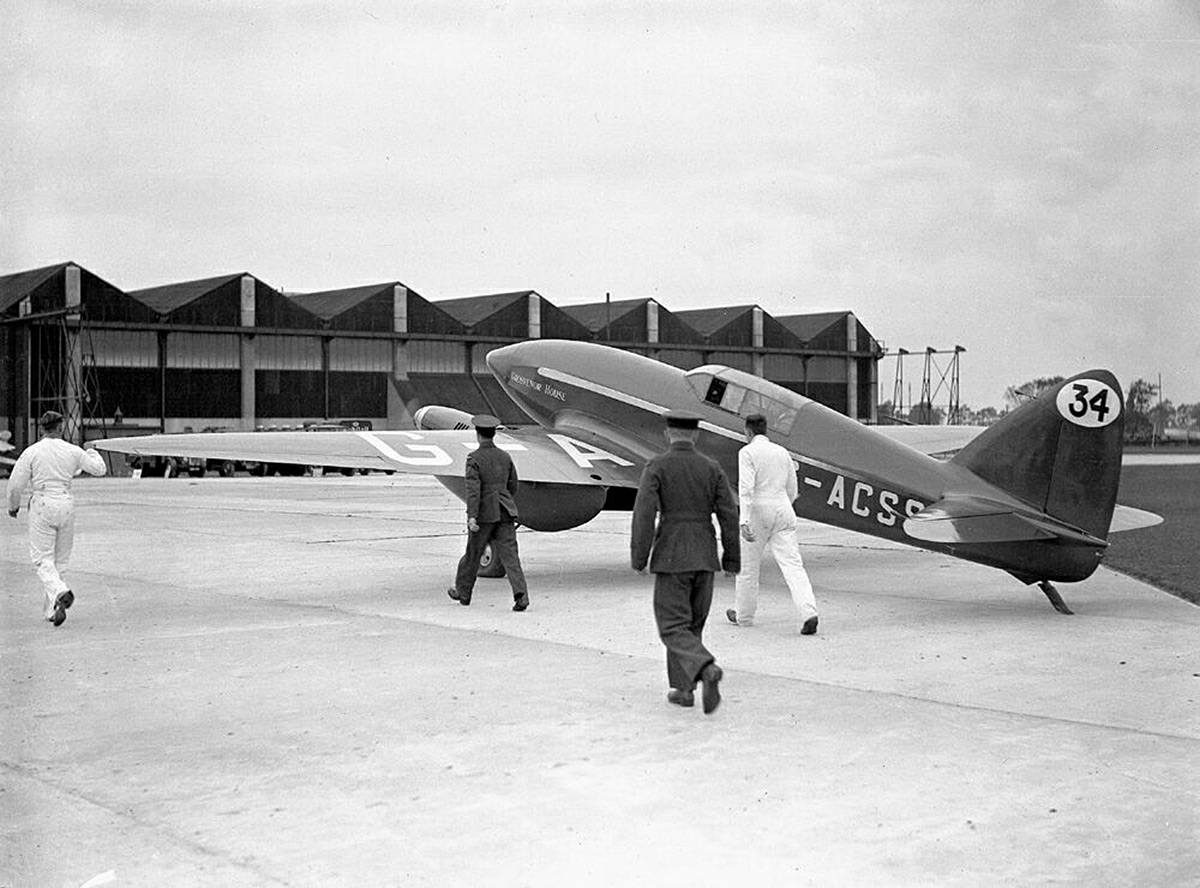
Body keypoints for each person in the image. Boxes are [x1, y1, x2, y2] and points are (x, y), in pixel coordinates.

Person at [631, 410, 740, 714]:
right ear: (696, 435)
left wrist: (639, 557)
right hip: (705, 554)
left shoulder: (657, 466)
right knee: (692, 625)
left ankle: (705, 668)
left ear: (668, 434)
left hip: (672, 555)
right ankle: (683, 690)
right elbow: (729, 515)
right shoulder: (711, 467)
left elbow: (644, 514)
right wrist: (731, 558)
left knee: (671, 626)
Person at [6, 410, 108, 626]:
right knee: (60, 561)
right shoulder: (73, 451)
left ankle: (60, 591)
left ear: (42, 428)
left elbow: (16, 483)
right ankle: (52, 611)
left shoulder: (32, 452)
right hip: (66, 502)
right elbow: (99, 470)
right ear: (61, 427)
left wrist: (13, 506)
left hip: (42, 503)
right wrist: (92, 452)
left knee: (42, 559)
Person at [726, 413, 819, 635]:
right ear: (765, 430)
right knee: (793, 565)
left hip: (759, 510)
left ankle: (744, 616)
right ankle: (809, 612)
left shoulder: (747, 452)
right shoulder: (782, 452)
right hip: (783, 509)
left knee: (748, 568)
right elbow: (793, 488)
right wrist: (784, 504)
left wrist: (744, 519)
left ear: (748, 432)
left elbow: (746, 489)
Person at [447, 414, 530, 611]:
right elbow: (513, 484)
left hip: (484, 514)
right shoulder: (505, 456)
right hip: (505, 511)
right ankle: (521, 597)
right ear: (493, 434)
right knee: (511, 557)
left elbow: (473, 491)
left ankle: (463, 593)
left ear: (478, 434)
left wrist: (472, 516)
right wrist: (504, 499)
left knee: (473, 554)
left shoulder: (474, 458)